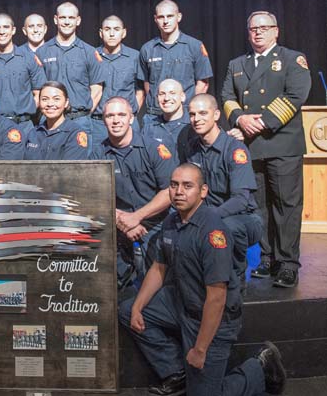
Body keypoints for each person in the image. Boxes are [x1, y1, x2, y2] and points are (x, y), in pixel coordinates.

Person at [119, 163, 286, 396]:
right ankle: (176, 373)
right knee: (127, 311)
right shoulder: (171, 222)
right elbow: (159, 268)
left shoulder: (213, 232)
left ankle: (259, 368)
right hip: (182, 304)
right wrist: (138, 307)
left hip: (214, 319)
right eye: (174, 185)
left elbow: (217, 298)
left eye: (188, 186)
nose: (179, 191)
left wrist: (200, 349)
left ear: (203, 191)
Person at [221, 11, 311, 288]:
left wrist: (258, 123)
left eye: (264, 27)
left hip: (281, 143)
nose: (258, 32)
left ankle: (287, 264)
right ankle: (268, 258)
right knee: (259, 206)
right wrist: (239, 118)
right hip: (251, 146)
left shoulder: (291, 59)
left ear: (276, 31)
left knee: (285, 206)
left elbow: (296, 95)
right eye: (253, 29)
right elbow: (226, 96)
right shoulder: (237, 63)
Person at [92, 97, 177, 287]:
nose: (116, 120)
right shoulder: (97, 154)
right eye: (110, 116)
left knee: (162, 281)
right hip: (117, 221)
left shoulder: (154, 149)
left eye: (121, 115)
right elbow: (94, 196)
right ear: (103, 120)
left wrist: (137, 217)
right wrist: (121, 221)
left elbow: (169, 191)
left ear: (131, 118)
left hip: (155, 220)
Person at [178, 94, 262, 282]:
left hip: (242, 218)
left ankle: (235, 279)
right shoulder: (192, 149)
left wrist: (209, 217)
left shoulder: (234, 149)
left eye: (202, 113)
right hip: (207, 215)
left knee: (227, 227)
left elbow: (241, 200)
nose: (196, 119)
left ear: (216, 115)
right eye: (192, 114)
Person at [137, 0, 213, 121]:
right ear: (155, 19)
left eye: (170, 16)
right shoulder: (147, 49)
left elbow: (203, 84)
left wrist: (190, 109)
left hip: (185, 115)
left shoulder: (195, 46)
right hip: (155, 116)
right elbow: (147, 84)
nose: (165, 21)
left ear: (179, 17)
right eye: (161, 17)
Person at [37, 2, 103, 134]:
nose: (67, 22)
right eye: (63, 18)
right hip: (50, 120)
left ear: (78, 21)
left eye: (71, 18)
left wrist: (84, 115)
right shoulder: (42, 52)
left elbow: (97, 90)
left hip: (80, 121)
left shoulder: (89, 52)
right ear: (56, 20)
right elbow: (38, 89)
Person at [0, 13, 46, 131]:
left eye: (6, 27)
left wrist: (27, 109)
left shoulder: (29, 59)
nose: (2, 32)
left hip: (24, 126)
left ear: (13, 30)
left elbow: (39, 93)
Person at [91, 15, 144, 144]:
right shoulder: (91, 56)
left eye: (116, 29)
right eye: (107, 29)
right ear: (101, 33)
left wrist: (130, 115)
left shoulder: (135, 57)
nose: (112, 33)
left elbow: (140, 91)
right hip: (97, 124)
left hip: (127, 123)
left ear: (123, 32)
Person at [24, 82, 92, 160]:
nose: (50, 104)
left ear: (66, 102)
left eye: (56, 99)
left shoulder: (74, 133)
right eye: (44, 99)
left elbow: (72, 168)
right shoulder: (33, 133)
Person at [141, 79, 189, 163]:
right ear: (157, 98)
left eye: (172, 93)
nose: (166, 98)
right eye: (162, 94)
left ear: (182, 97)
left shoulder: (192, 126)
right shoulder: (149, 128)